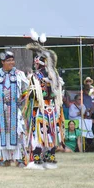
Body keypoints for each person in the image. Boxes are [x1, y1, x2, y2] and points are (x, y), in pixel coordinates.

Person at [24, 30, 65, 169]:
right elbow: (58, 95)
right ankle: (50, 156)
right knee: (52, 132)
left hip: (40, 109)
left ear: (37, 63)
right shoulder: (55, 77)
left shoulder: (35, 77)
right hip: (53, 109)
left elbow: (32, 95)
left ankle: (37, 157)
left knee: (39, 133)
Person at [0, 50, 29, 167]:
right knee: (0, 134)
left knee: (18, 132)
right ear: (2, 62)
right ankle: (4, 159)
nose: (11, 62)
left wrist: (25, 109)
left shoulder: (19, 75)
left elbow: (25, 94)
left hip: (15, 109)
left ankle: (19, 159)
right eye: (8, 60)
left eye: (12, 60)